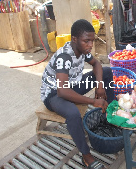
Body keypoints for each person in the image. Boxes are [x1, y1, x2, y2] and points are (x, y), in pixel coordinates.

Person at [40, 19, 114, 169]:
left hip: (73, 85)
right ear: (74, 39)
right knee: (73, 113)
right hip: (54, 94)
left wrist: (99, 86)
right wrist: (93, 101)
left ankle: (110, 116)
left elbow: (97, 64)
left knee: (106, 72)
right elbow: (62, 91)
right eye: (86, 41)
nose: (90, 45)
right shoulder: (64, 58)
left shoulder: (82, 50)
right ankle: (86, 156)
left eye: (92, 41)